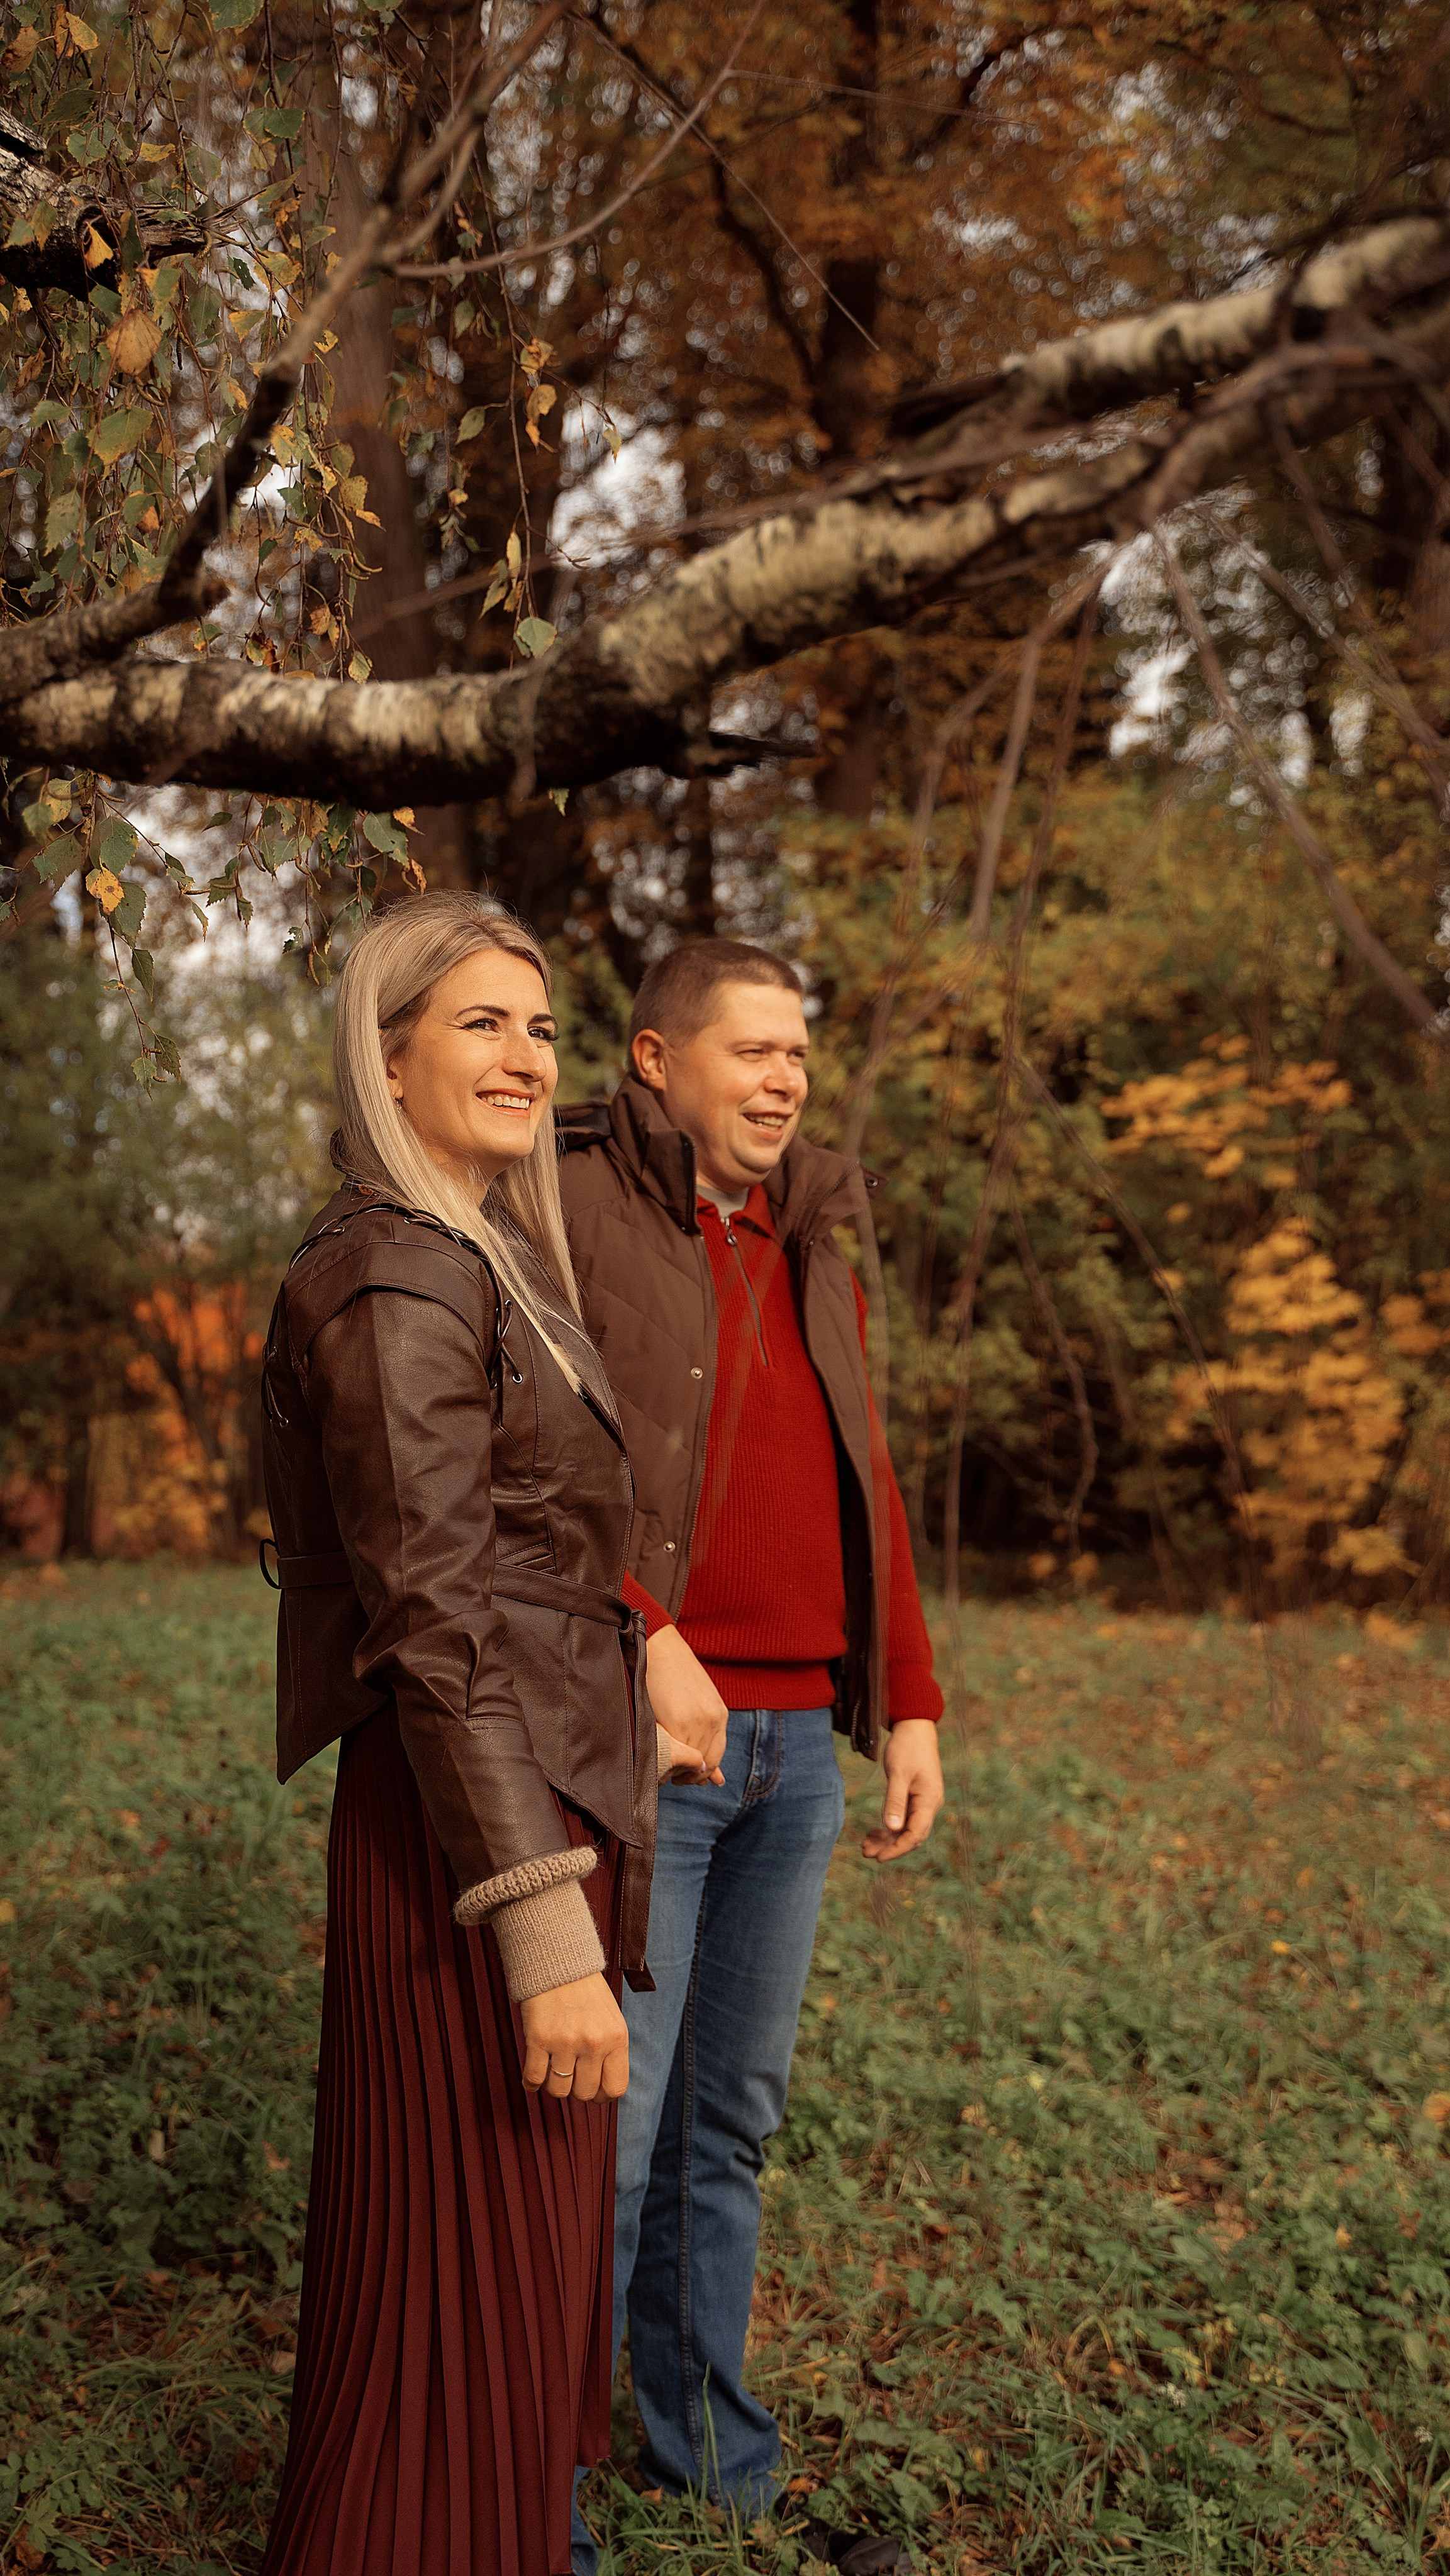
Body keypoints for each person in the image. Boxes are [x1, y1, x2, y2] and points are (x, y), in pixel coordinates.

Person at [255, 892, 713, 2576]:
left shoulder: (471, 1253)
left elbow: (522, 1551)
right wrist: (537, 1922)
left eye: (539, 1024)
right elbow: (431, 1626)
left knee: (512, 2333)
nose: (528, 1055)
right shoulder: (394, 1272)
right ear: (389, 1058)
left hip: (527, 1808)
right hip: (473, 1853)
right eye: (478, 1023)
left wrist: (639, 1644)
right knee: (446, 2328)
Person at [557, 940, 946, 2573]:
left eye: (799, 1053)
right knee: (615, 2138)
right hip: (652, 1738)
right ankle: (530, 2489)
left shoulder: (811, 1245)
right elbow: (536, 1461)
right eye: (752, 1051)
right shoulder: (579, 1218)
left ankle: (706, 2457)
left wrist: (908, 1697)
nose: (785, 1079)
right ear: (657, 1059)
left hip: (798, 1745)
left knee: (730, 2119)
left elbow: (869, 1478)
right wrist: (645, 1627)